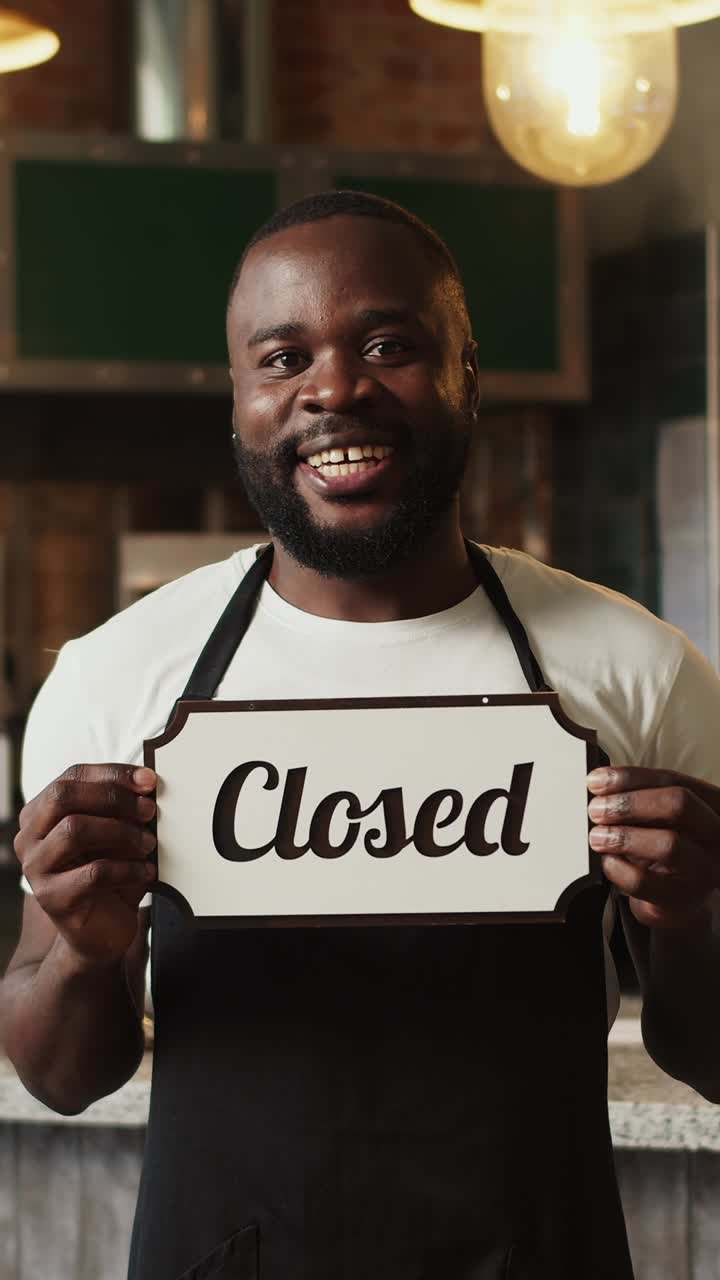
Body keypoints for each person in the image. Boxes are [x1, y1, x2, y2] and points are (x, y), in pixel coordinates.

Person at [3, 189, 720, 1280]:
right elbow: (59, 1074)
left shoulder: (638, 669)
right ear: (239, 401)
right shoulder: (117, 678)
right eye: (282, 358)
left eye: (389, 343)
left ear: (466, 372)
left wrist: (693, 916)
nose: (333, 387)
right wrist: (87, 949)